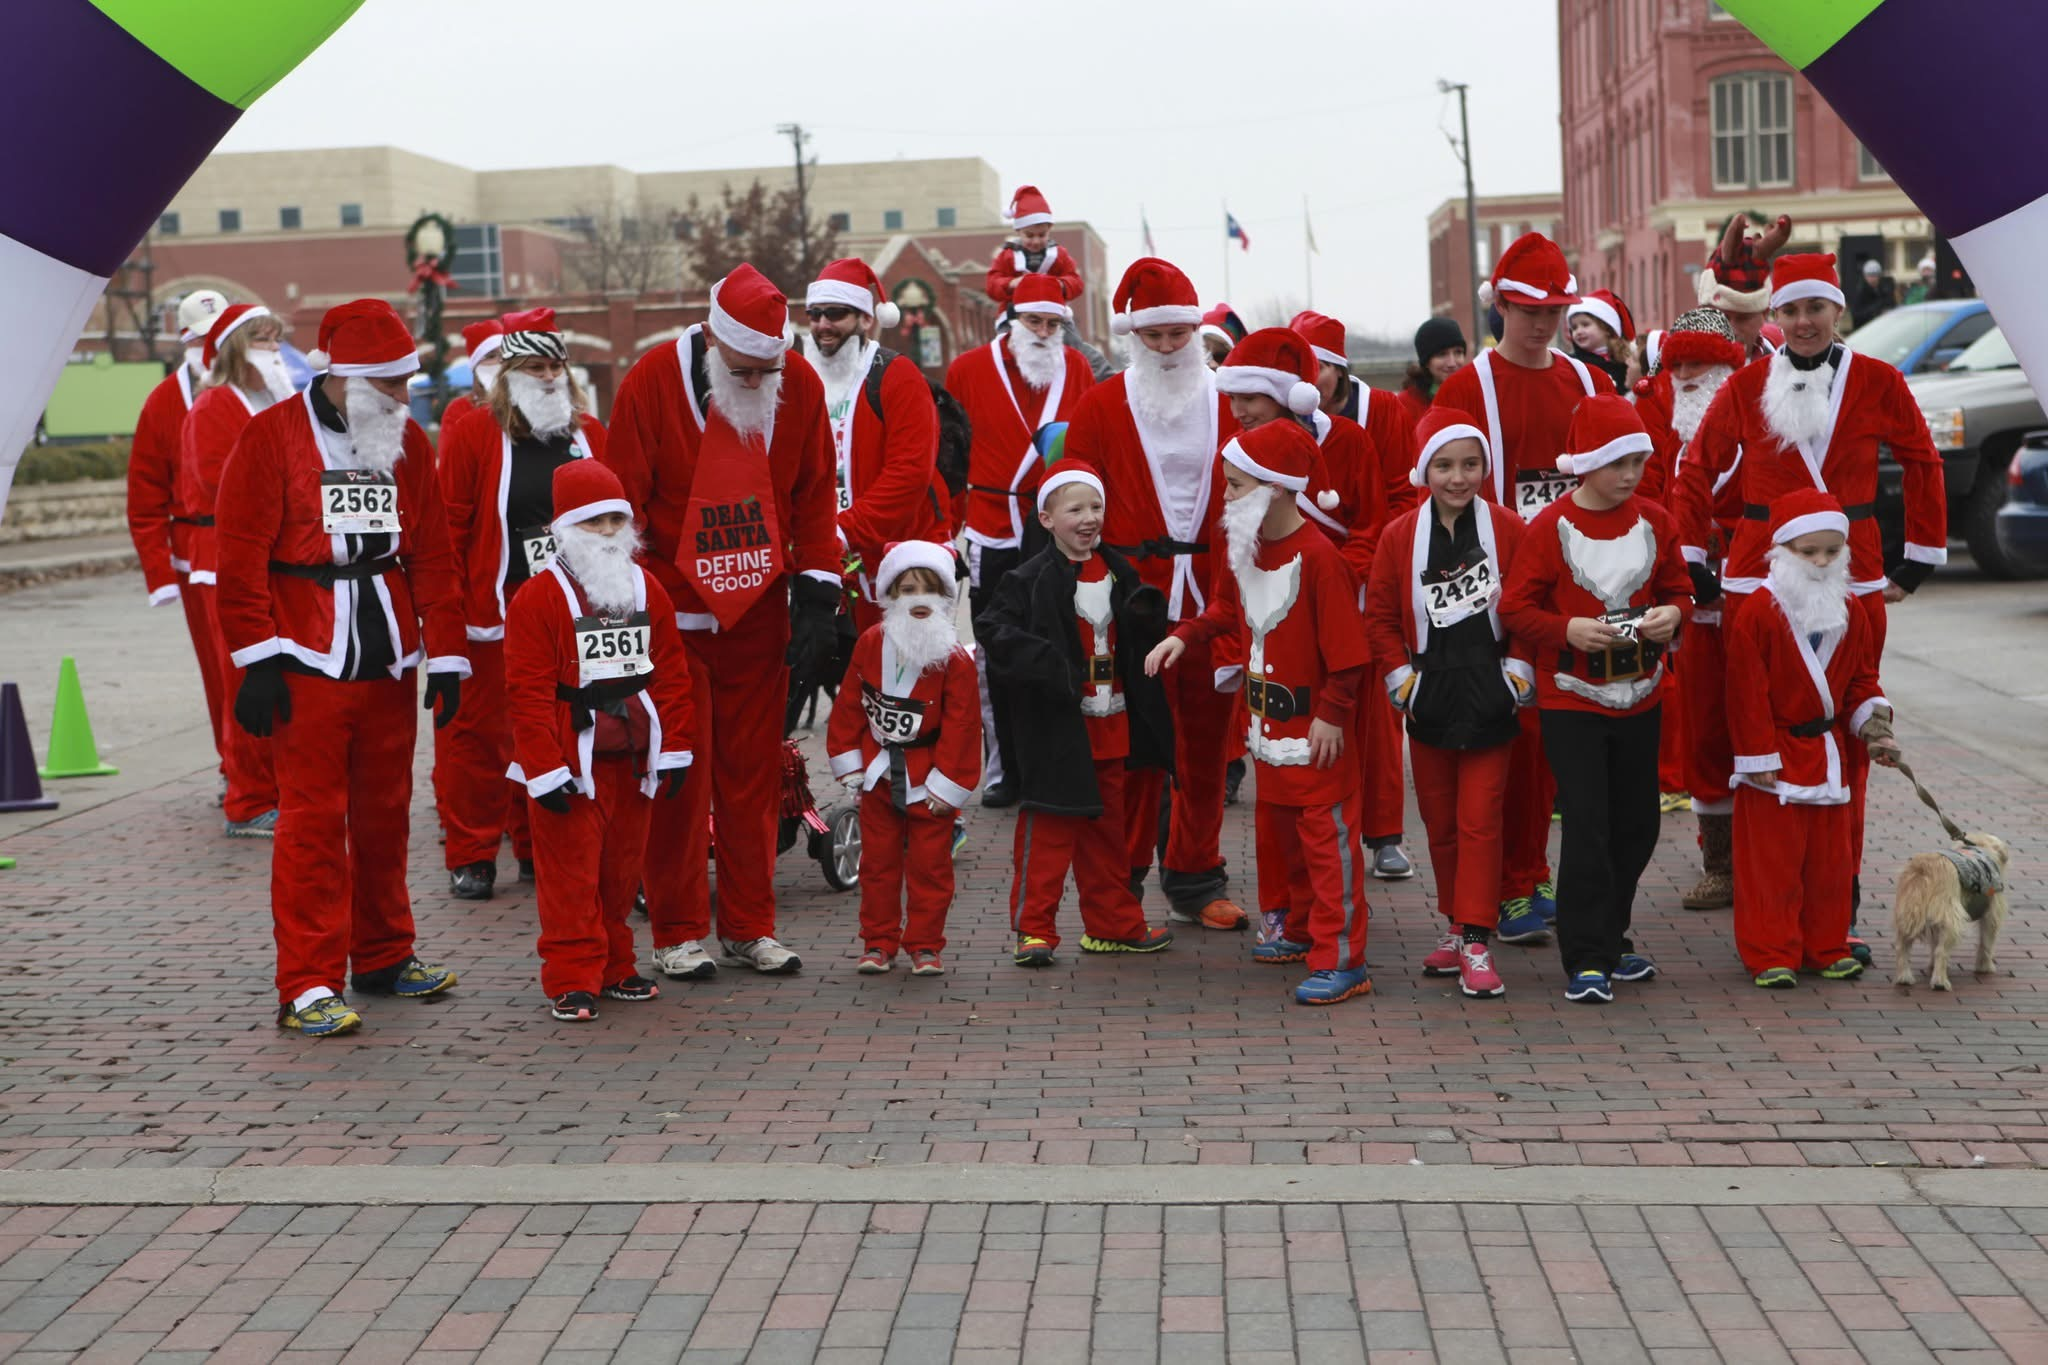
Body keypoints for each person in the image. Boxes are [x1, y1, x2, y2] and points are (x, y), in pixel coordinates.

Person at [1674, 252, 1946, 959]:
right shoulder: (1746, 385)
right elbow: (1696, 467)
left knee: (1849, 735)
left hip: (1850, 571)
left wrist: (1920, 555)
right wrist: (1694, 559)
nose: (1800, 322)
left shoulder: (1880, 381)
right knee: (1755, 732)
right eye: (1788, 310)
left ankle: (1836, 908)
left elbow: (1922, 458)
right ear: (1773, 317)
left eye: (1813, 308)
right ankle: (1764, 904)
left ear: (1838, 310)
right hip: (1761, 574)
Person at [215, 298, 467, 1038]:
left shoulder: (407, 445)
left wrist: (446, 655)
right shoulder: (270, 439)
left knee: (386, 815)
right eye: (389, 383)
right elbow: (237, 560)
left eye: (405, 381)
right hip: (304, 660)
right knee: (313, 825)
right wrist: (256, 661)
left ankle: (385, 955)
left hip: (388, 659)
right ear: (343, 378)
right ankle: (308, 981)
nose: (402, 395)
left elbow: (434, 555)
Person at [602, 263, 841, 980]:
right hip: (675, 620)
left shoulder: (795, 382)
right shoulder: (650, 382)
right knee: (679, 776)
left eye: (769, 366)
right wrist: (624, 612)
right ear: (711, 341)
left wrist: (818, 592)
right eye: (742, 369)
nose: (758, 380)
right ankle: (677, 930)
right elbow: (621, 511)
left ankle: (749, 925)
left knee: (751, 779)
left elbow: (813, 492)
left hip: (758, 616)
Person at [1148, 421, 1373, 1006]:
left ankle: (1342, 958)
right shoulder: (1242, 547)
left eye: (1235, 485)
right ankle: (1296, 929)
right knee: (1279, 840)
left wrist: (1332, 713)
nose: (1224, 497)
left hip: (1315, 733)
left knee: (1327, 846)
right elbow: (1227, 606)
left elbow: (1349, 656)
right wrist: (1187, 635)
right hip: (1265, 728)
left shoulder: (1321, 559)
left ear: (1274, 488)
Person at [1433, 231, 1616, 942]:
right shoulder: (1464, 386)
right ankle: (1513, 885)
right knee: (1511, 737)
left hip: (1579, 588)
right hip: (1495, 591)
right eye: (1527, 310)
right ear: (1500, 305)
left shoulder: (1590, 382)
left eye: (1554, 311)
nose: (1541, 324)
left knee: (1566, 743)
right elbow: (1437, 492)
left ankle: (1546, 879)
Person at [1060, 258, 1247, 931]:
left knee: (1205, 747)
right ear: (1134, 338)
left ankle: (1196, 876)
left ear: (1195, 332)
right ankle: (1125, 876)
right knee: (1133, 748)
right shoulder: (1101, 404)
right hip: (1131, 604)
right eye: (1155, 337)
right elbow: (1070, 497)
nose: (1167, 348)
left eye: (1177, 335)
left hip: (1213, 599)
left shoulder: (1230, 400)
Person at [1500, 395, 1691, 1004]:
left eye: (1636, 460)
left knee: (1637, 824)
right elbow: (1513, 609)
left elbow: (1680, 589)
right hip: (1571, 700)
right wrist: (1567, 631)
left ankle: (1613, 937)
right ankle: (1586, 956)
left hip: (1642, 695)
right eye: (1616, 463)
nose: (1630, 474)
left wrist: (1672, 614)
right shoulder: (1548, 527)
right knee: (1588, 826)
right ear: (1585, 464)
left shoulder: (1657, 520)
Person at [504, 460, 693, 1021]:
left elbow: (672, 674)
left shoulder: (648, 588)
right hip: (570, 758)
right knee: (569, 877)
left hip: (633, 756)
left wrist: (675, 748)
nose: (610, 532)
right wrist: (543, 768)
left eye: (617, 519)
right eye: (595, 522)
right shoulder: (536, 599)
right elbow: (527, 690)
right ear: (565, 529)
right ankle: (570, 976)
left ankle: (615, 965)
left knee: (619, 871)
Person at [436, 307, 606, 900]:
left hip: (572, 612)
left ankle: (538, 843)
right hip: (496, 608)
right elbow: (450, 528)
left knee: (559, 725)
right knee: (478, 736)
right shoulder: (474, 433)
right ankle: (473, 852)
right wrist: (447, 619)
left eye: (556, 365)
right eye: (535, 367)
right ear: (508, 374)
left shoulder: (590, 435)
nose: (549, 376)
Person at [1367, 411, 1534, 999]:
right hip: (1430, 696)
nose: (1458, 477)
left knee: (1480, 821)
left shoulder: (1509, 528)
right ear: (1424, 470)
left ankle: (1479, 939)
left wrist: (1516, 676)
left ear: (1486, 468)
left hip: (1490, 692)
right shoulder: (1398, 536)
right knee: (1440, 827)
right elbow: (1382, 618)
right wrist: (1402, 684)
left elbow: (1529, 606)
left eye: (1470, 464)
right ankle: (1458, 925)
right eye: (1444, 465)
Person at [979, 465, 1175, 966]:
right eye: (1075, 510)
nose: (1089, 519)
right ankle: (1035, 931)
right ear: (1045, 518)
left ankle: (1112, 924)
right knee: (1049, 829)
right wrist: (1052, 668)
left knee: (1108, 831)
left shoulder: (1120, 571)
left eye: (1096, 508)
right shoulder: (1026, 579)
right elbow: (995, 632)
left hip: (1113, 722)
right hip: (1057, 729)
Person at [1724, 490, 1899, 988]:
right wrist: (1758, 755)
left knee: (1830, 864)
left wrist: (1874, 727)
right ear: (1783, 551)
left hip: (1828, 755)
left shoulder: (1851, 611)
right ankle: (1770, 951)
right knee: (1772, 864)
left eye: (1831, 551)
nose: (1822, 562)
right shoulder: (1758, 612)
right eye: (1809, 552)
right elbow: (1744, 691)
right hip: (1774, 757)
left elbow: (1862, 680)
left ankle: (1826, 946)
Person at [946, 274, 1095, 807]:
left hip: (1059, 523)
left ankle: (1062, 761)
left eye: (1053, 323)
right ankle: (1004, 765)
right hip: (991, 523)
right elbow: (951, 452)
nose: (1043, 331)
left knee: (1066, 641)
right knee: (997, 647)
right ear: (1011, 320)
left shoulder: (1076, 368)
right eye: (1034, 320)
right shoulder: (966, 370)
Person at [1291, 309, 1416, 878]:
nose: (1310, 381)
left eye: (1320, 369)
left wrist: (1368, 570)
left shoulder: (1383, 411)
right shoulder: (1285, 416)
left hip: (1372, 576)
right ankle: (1317, 822)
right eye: (1301, 369)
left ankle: (1385, 833)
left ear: (1340, 370)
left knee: (1380, 711)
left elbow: (1402, 495)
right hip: (1302, 584)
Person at [1634, 307, 1748, 910]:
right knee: (1704, 726)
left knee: (1759, 721)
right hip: (1697, 606)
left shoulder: (1761, 422)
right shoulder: (1672, 439)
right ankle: (1720, 861)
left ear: (1727, 367)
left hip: (1757, 600)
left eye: (1698, 362)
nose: (1685, 373)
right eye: (1677, 363)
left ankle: (1767, 851)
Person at [826, 540, 982, 976]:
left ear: (946, 598)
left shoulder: (954, 659)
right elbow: (850, 704)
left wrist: (946, 785)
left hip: (929, 773)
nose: (918, 599)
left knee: (931, 868)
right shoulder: (871, 643)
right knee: (877, 865)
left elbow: (964, 725)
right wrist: (849, 762)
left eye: (929, 590)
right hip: (878, 772)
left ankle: (925, 945)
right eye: (907, 589)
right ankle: (878, 942)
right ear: (890, 596)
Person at [181, 302, 290, 838]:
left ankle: (276, 787)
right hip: (227, 564)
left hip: (278, 561)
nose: (275, 351)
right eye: (263, 341)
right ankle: (247, 800)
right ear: (235, 349)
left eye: (277, 341)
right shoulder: (217, 405)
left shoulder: (278, 401)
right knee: (244, 680)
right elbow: (218, 482)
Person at [800, 257, 945, 634]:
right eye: (815, 314)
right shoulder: (800, 377)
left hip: (896, 560)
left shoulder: (896, 376)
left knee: (903, 681)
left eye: (836, 314)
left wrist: (843, 530)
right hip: (822, 553)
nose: (822, 325)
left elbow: (909, 474)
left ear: (866, 318)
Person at [126, 289, 230, 797]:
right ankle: (236, 765)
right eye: (206, 340)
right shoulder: (164, 402)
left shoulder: (266, 391)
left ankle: (271, 767)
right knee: (219, 667)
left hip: (266, 548)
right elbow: (144, 494)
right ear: (188, 342)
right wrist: (159, 573)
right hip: (196, 548)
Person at [1696, 212, 1792, 363]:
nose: (1732, 330)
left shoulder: (1780, 369)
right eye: (1724, 318)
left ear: (1763, 316)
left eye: (1743, 318)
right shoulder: (1680, 371)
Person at [984, 185, 1085, 304]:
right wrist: (1012, 283)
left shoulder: (1059, 255)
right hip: (1015, 310)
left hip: (1053, 309)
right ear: (1018, 231)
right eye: (1030, 236)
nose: (1036, 241)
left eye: (1042, 235)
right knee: (1005, 323)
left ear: (1049, 229)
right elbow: (992, 285)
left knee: (1067, 323)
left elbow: (1076, 282)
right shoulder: (1007, 256)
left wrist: (1059, 284)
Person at [439, 318, 505, 454]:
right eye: (491, 356)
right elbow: (450, 457)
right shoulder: (458, 410)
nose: (500, 362)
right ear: (475, 366)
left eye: (504, 355)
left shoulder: (519, 403)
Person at [1399, 316, 1467, 426]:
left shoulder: (1474, 397)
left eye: (1458, 352)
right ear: (1426, 362)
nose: (1452, 363)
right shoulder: (1406, 404)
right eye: (1442, 354)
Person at [1566, 289, 1635, 391]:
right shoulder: (1573, 363)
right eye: (1574, 327)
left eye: (1585, 325)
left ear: (1606, 328)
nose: (1579, 331)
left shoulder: (1626, 360)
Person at [1852, 258, 1898, 328]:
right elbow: (1857, 315)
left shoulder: (1885, 290)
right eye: (1869, 276)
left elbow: (1892, 306)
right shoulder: (1860, 292)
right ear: (1865, 276)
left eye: (1875, 275)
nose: (1872, 279)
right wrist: (1875, 311)